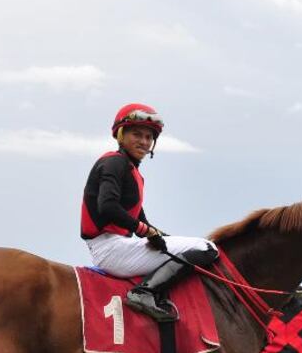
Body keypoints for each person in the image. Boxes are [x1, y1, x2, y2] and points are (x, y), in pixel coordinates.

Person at [80, 103, 219, 321]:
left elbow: (137, 216)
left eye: (148, 137)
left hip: (114, 246)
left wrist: (156, 233)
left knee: (177, 244)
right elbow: (107, 207)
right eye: (137, 135)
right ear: (121, 135)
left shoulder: (129, 168)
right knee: (206, 247)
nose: (144, 142)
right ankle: (144, 292)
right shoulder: (115, 163)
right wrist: (146, 231)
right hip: (111, 248)